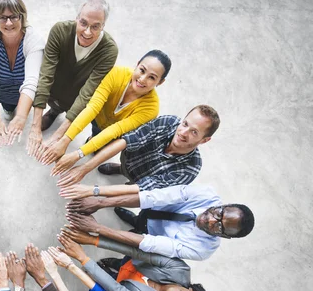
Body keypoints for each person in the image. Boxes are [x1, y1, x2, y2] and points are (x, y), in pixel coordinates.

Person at [44, 50, 171, 174]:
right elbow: (93, 108)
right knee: (94, 127)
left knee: (101, 141)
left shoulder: (151, 108)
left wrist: (79, 153)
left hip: (115, 132)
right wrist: (65, 140)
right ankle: (91, 137)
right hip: (97, 115)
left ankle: (94, 141)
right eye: (142, 70)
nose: (142, 79)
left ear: (160, 82)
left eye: (152, 78)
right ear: (137, 64)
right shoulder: (117, 73)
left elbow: (115, 130)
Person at [59, 227, 213, 291]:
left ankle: (106, 267)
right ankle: (113, 262)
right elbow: (138, 253)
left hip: (124, 284)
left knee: (108, 276)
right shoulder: (180, 269)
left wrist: (83, 258)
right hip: (135, 261)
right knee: (123, 261)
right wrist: (94, 240)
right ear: (193, 290)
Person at [26, 0, 118, 160]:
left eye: (95, 27)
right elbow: (46, 74)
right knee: (54, 105)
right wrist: (34, 126)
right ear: (76, 18)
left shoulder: (109, 50)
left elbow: (88, 92)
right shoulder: (60, 31)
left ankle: (60, 115)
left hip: (77, 97)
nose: (87, 32)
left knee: (77, 104)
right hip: (56, 88)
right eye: (83, 23)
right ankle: (54, 112)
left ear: (103, 26)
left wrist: (59, 136)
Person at [65, 184, 255, 261]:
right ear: (224, 204)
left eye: (220, 226)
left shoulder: (203, 250)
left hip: (153, 236)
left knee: (137, 240)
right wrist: (100, 201)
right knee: (142, 213)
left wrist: (97, 228)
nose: (213, 218)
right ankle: (135, 218)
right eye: (220, 212)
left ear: (224, 236)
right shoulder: (206, 194)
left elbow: (151, 244)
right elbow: (154, 198)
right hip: (154, 210)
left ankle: (136, 224)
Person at [57, 104, 218, 190]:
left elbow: (144, 190)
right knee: (123, 164)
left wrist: (95, 192)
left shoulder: (190, 168)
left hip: (139, 180)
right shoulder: (169, 122)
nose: (183, 132)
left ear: (204, 140)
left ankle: (123, 172)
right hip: (130, 156)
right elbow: (129, 140)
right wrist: (84, 167)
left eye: (194, 132)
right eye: (185, 124)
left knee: (132, 186)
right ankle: (120, 169)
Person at [0, 0, 45, 146]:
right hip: (2, 94)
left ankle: (17, 112)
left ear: (22, 17)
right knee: (8, 112)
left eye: (14, 17)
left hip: (25, 95)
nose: (8, 23)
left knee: (18, 113)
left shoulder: (33, 39)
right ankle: (9, 110)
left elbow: (31, 81)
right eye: (2, 17)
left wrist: (22, 117)